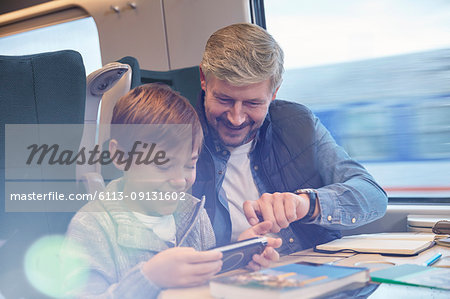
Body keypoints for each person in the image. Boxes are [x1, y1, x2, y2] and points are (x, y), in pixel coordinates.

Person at [64, 83, 281, 298]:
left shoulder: (195, 214)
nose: (179, 181)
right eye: (163, 165)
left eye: (189, 165)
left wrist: (237, 261)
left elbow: (206, 288)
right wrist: (148, 279)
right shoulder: (91, 227)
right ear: (120, 157)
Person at [192, 23, 388, 253]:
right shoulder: (177, 134)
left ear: (274, 92)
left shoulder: (298, 123)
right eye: (224, 100)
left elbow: (373, 195)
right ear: (204, 78)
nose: (236, 118)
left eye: (253, 103)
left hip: (314, 269)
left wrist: (306, 204)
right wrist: (237, 255)